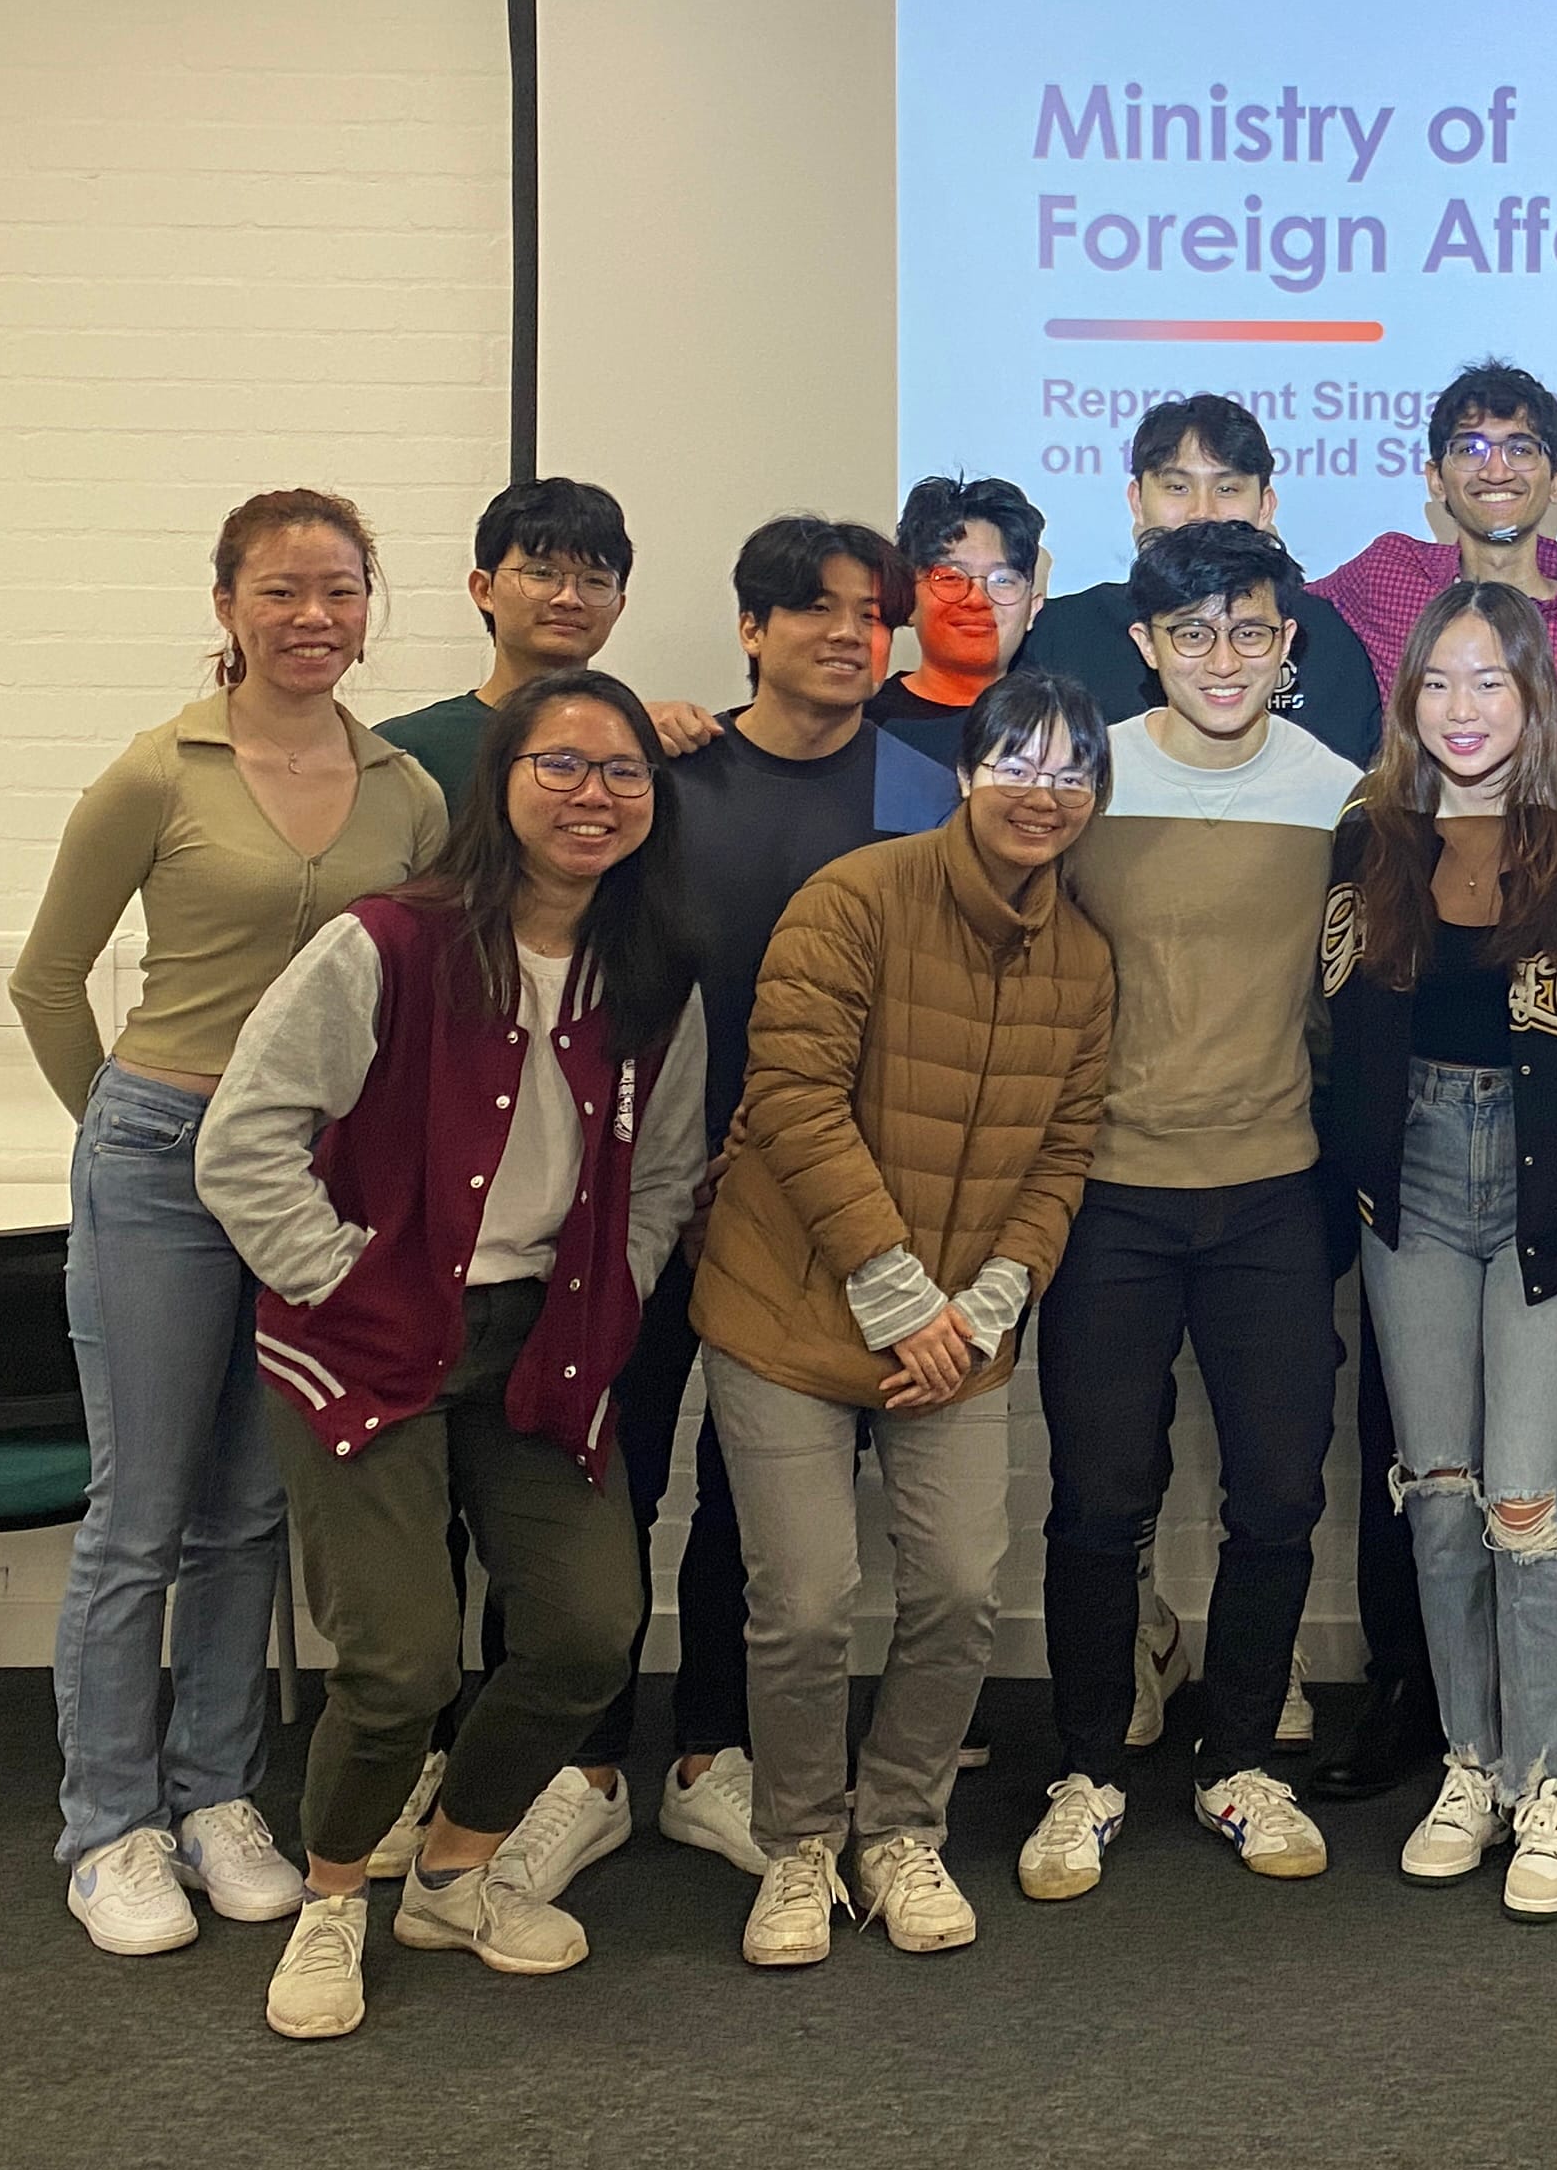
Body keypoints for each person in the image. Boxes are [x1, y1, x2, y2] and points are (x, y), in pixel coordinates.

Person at [195, 668, 707, 2040]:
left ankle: (453, 1876)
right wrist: (341, 1279)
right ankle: (331, 1901)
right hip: (368, 1339)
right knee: (402, 1664)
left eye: (625, 772)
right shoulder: (386, 944)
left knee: (588, 1632)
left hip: (543, 1339)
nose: (595, 795)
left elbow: (665, 1176)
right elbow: (241, 1142)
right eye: (563, 765)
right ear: (503, 783)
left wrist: (612, 1291)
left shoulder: (653, 976)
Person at [462, 516, 960, 1911]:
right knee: (592, 1470)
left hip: (813, 1210)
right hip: (629, 1192)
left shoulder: (926, 790)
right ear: (752, 629)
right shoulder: (669, 776)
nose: (849, 635)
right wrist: (655, 1181)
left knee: (762, 1506)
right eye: (816, 610)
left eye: (872, 615)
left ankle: (709, 1755)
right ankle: (576, 1767)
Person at [7, 488, 448, 1960]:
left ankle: (214, 1798)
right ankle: (109, 1828)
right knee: (139, 1513)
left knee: (251, 1511)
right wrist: (117, 1127)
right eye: (281, 590)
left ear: (369, 609)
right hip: (159, 1155)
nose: (313, 616)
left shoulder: (405, 789)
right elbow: (46, 979)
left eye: (341, 590)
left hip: (313, 1180)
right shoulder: (159, 772)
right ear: (226, 607)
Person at [689, 668, 1117, 1967]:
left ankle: (901, 1830)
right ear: (965, 775)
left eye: (1072, 772)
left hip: (956, 1336)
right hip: (790, 1304)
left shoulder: (1084, 957)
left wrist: (985, 1308)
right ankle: (800, 1844)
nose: (1042, 794)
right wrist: (899, 1297)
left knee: (960, 1587)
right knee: (807, 1602)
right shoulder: (855, 898)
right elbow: (792, 1099)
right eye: (1016, 764)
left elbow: (1065, 1151)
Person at [1018, 522, 1363, 1905]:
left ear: (1288, 646)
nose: (1224, 659)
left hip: (1273, 1192)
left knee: (1278, 1495)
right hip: (1110, 1196)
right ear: (1145, 645)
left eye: (1251, 632)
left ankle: (1241, 1763)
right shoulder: (1086, 781)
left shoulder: (1341, 794)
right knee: (1101, 1498)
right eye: (1193, 633)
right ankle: (1087, 1770)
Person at [1322, 584, 1557, 1922]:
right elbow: (1337, 1022)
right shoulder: (1369, 834)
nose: (1463, 710)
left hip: (1544, 1187)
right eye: (1440, 683)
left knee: (1528, 1498)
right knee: (1442, 1493)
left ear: (1534, 695)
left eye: (1491, 683)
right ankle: (1476, 1761)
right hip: (1408, 1179)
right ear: (1409, 699)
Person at [1316, 360, 1557, 772]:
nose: (1496, 472)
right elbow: (1275, 610)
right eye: (1470, 450)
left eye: (1520, 450)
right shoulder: (1387, 575)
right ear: (1435, 479)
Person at [1022, 392, 1386, 767]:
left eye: (1227, 489)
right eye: (1177, 487)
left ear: (1265, 506)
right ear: (1137, 502)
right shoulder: (1064, 632)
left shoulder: (1322, 635)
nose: (1202, 512)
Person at [376, 477, 720, 799]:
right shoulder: (407, 751)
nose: (569, 598)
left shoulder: (645, 743)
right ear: (484, 590)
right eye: (541, 573)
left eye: (595, 581)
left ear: (619, 605)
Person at [871, 474, 1048, 780]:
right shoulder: (862, 723)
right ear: (908, 598)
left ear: (1032, 609)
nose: (977, 599)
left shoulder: (1059, 727)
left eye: (1003, 580)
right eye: (951, 577)